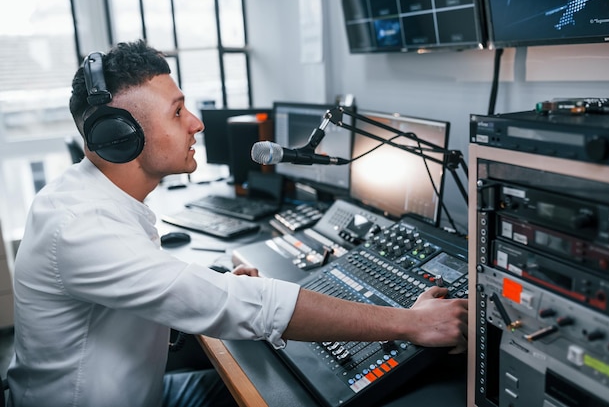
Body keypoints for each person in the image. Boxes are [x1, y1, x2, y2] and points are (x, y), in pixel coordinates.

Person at [6, 40, 468, 407]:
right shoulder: (80, 226)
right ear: (120, 136)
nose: (197, 123)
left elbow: (150, 285)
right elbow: (246, 306)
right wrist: (409, 323)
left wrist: (215, 282)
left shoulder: (98, 199)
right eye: (177, 111)